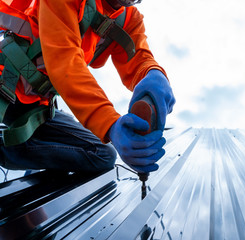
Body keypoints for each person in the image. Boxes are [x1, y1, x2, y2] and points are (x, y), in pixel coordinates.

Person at [0, 0, 175, 173]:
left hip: (35, 105)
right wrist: (110, 123)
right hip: (4, 85)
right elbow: (65, 62)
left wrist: (153, 73)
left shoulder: (128, 18)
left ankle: (7, 150)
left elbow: (139, 59)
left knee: (102, 155)